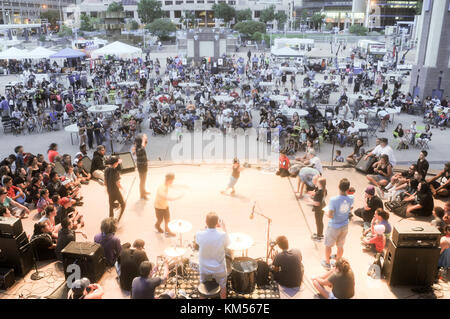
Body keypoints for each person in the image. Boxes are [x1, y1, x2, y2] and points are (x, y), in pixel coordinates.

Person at [195, 212, 230, 299]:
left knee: (202, 285)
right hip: (219, 268)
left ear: (206, 222)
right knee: (223, 286)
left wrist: (206, 227)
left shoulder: (199, 234)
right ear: (217, 223)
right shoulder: (222, 235)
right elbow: (228, 243)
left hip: (204, 268)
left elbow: (198, 243)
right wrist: (223, 227)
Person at [322, 178, 353, 269]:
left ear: (338, 187)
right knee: (340, 246)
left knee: (328, 245)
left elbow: (331, 215)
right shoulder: (351, 198)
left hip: (334, 226)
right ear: (348, 188)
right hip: (344, 225)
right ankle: (338, 263)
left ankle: (327, 263)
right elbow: (350, 208)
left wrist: (325, 212)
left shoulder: (333, 200)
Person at [154, 173, 179, 237]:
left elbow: (173, 186)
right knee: (160, 219)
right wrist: (176, 197)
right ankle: (157, 226)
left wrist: (183, 186)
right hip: (159, 207)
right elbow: (163, 196)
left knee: (167, 219)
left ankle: (167, 231)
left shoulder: (167, 183)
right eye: (172, 180)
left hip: (165, 205)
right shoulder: (161, 187)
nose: (172, 182)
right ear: (169, 180)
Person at [305, 177, 327, 241]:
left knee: (318, 222)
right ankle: (319, 233)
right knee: (320, 221)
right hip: (322, 207)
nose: (316, 182)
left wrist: (310, 201)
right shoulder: (323, 190)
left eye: (317, 182)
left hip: (319, 209)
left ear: (320, 184)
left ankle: (319, 236)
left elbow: (317, 203)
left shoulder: (319, 192)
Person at [104, 156, 126, 220]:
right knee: (123, 204)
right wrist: (122, 189)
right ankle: (118, 219)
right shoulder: (115, 171)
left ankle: (111, 219)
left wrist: (107, 189)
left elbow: (105, 182)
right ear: (115, 163)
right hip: (116, 191)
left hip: (109, 190)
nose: (118, 164)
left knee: (111, 206)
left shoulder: (106, 169)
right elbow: (117, 183)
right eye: (117, 163)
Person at [132, 134, 150, 200]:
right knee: (142, 181)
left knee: (143, 181)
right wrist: (144, 139)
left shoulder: (138, 147)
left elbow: (144, 144)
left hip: (143, 165)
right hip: (142, 166)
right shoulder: (140, 149)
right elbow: (143, 146)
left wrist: (144, 139)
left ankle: (144, 191)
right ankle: (142, 195)